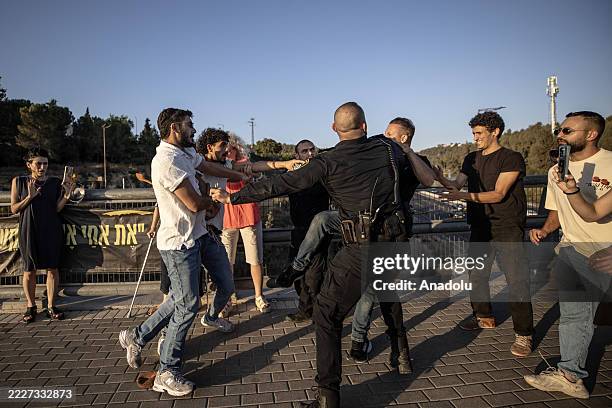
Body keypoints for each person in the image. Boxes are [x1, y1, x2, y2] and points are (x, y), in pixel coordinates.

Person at [212, 102, 414, 407]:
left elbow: (280, 184)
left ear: (334, 129)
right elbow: (422, 174)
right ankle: (402, 356)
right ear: (365, 126)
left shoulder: (327, 161)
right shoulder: (388, 149)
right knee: (386, 294)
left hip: (363, 247)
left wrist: (233, 197)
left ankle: (327, 397)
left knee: (326, 314)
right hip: (396, 241)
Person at [118, 108, 247, 397]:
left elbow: (210, 168)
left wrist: (238, 174)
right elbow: (192, 203)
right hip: (179, 244)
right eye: (190, 125)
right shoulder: (166, 161)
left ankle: (136, 337)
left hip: (200, 235)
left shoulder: (185, 153)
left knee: (221, 285)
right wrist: (213, 201)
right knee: (187, 304)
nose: (194, 130)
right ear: (176, 128)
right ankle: (167, 371)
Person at [524, 111, 612, 399]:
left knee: (586, 316)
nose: (559, 135)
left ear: (591, 134)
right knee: (575, 315)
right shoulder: (555, 172)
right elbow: (557, 211)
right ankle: (570, 376)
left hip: (604, 251)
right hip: (573, 250)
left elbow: (594, 213)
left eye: (567, 131)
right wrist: (546, 230)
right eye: (559, 131)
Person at [436, 110, 534, 357]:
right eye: (473, 133)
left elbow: (499, 194)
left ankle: (524, 335)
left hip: (507, 226)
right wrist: (440, 178)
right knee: (477, 275)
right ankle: (484, 318)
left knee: (516, 280)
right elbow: (456, 186)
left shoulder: (511, 158)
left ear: (495, 132)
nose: (475, 137)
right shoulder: (471, 158)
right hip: (480, 225)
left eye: (479, 133)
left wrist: (463, 196)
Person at [349, 117, 435, 373]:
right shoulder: (379, 156)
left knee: (381, 291)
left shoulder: (412, 160)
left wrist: (408, 152)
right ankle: (398, 351)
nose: (383, 135)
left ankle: (373, 343)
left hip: (395, 233)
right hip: (370, 232)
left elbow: (429, 180)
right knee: (379, 290)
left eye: (389, 132)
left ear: (404, 137)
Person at [196, 128, 302, 317]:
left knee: (245, 261)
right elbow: (223, 173)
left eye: (229, 148)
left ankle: (245, 300)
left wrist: (284, 163)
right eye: (223, 147)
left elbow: (256, 167)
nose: (226, 151)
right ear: (210, 147)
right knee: (219, 266)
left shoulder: (228, 164)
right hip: (215, 224)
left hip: (237, 218)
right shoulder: (200, 165)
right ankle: (219, 304)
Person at [10, 147, 75, 323]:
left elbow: (56, 209)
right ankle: (31, 307)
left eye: (45, 163)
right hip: (28, 229)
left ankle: (51, 306)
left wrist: (66, 196)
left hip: (51, 229)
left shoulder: (54, 183)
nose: (42, 167)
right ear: (29, 164)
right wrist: (29, 197)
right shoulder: (19, 181)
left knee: (52, 269)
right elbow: (14, 208)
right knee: (29, 270)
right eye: (38, 163)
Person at [280, 139, 330, 323]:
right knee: (297, 275)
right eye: (304, 151)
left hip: (319, 233)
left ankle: (315, 312)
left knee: (314, 276)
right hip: (299, 232)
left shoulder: (323, 175)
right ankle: (306, 309)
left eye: (312, 150)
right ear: (296, 156)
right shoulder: (291, 175)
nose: (309, 154)